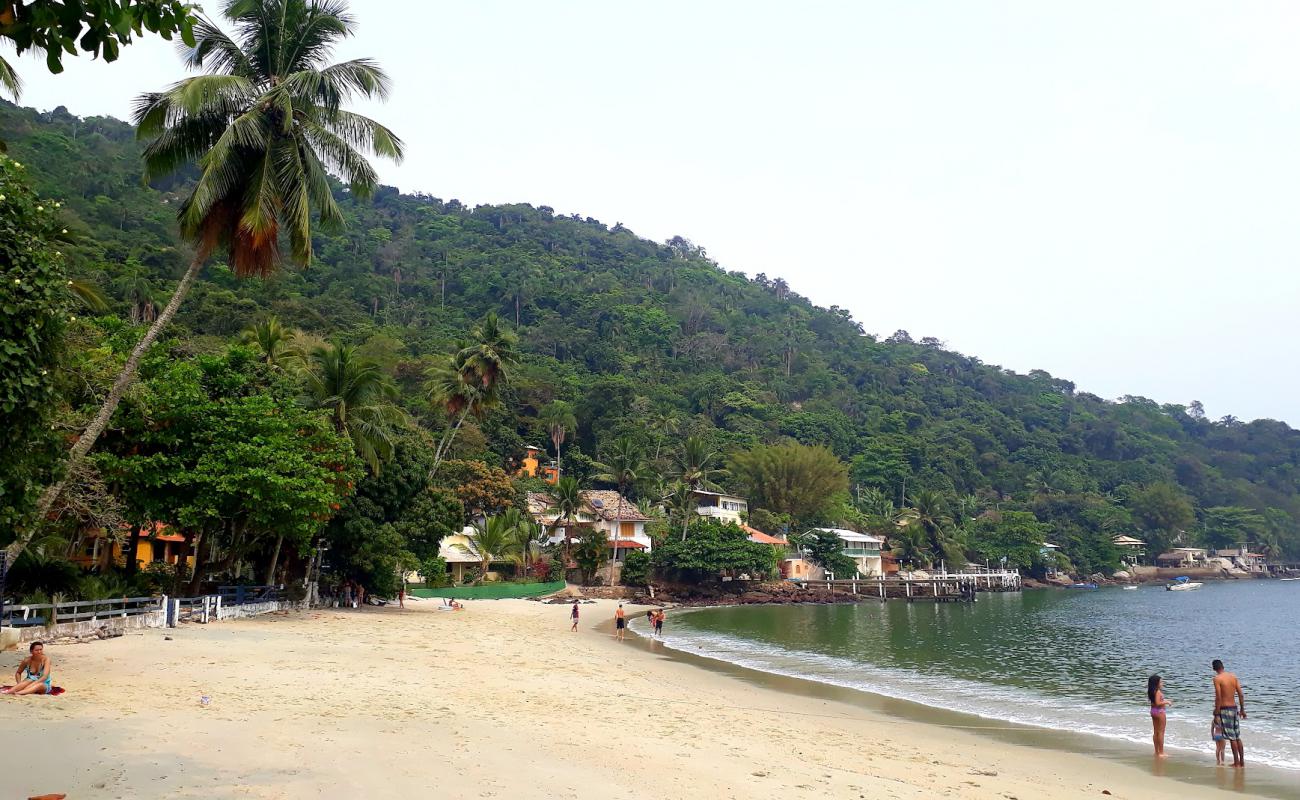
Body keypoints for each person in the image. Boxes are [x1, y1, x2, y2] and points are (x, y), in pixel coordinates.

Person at [1212, 659, 1247, 767]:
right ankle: (1241, 761)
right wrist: (1242, 709)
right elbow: (1241, 694)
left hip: (1225, 709)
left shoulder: (1217, 679)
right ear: (1223, 666)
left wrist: (1217, 713)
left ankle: (1236, 762)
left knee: (1231, 737)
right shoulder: (1233, 677)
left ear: (1214, 668)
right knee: (1237, 736)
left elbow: (1218, 697)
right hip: (1234, 708)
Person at [1147, 674, 1171, 757]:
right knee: (1161, 732)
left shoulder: (1152, 691)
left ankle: (1156, 751)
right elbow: (1158, 703)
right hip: (1159, 712)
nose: (1162, 683)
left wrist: (1163, 700)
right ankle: (1161, 752)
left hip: (1153, 711)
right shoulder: (1158, 692)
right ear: (1156, 683)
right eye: (1161, 682)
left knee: (1156, 732)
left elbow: (1155, 702)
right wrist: (1166, 702)